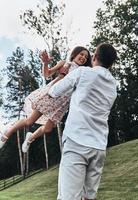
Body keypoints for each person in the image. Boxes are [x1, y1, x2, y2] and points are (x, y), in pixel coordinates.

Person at [49, 43, 118, 200]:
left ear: (94, 57)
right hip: (99, 147)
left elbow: (54, 92)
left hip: (77, 142)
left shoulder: (82, 73)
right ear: (111, 64)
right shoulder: (113, 85)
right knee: (88, 198)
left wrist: (62, 74)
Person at [0, 46, 92, 152]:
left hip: (63, 103)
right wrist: (45, 63)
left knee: (48, 128)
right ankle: (7, 132)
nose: (83, 58)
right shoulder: (65, 63)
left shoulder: (83, 72)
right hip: (51, 96)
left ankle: (30, 138)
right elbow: (47, 74)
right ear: (75, 54)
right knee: (29, 121)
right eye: (81, 54)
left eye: (86, 57)